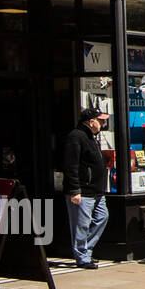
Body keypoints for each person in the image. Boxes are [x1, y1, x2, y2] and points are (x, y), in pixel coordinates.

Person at [61, 107, 111, 270]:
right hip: (83, 191)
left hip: (97, 191)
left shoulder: (91, 136)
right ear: (91, 121)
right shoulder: (76, 137)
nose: (103, 124)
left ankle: (85, 250)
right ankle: (82, 256)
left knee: (102, 217)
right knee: (80, 225)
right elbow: (71, 165)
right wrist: (75, 190)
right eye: (101, 120)